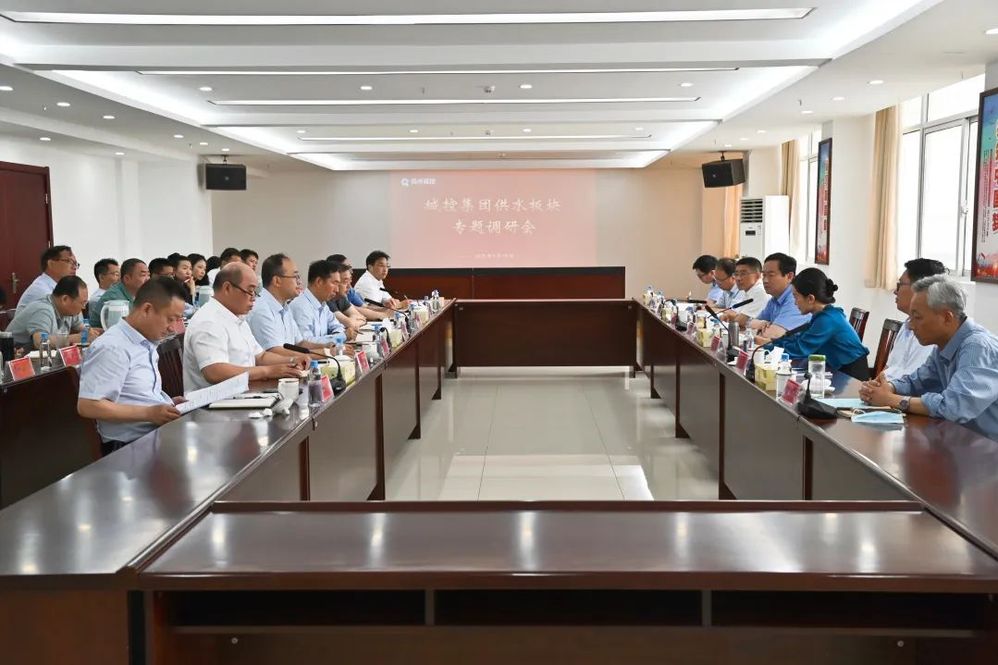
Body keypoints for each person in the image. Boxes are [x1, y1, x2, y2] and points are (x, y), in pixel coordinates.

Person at [860, 275, 998, 439]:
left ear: (947, 317)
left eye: (917, 317)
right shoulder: (944, 344)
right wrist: (887, 387)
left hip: (988, 448)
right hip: (959, 440)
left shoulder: (977, 347)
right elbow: (917, 381)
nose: (910, 326)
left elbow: (953, 407)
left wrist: (892, 400)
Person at [77, 278, 189, 456]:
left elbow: (135, 394)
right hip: (127, 447)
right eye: (170, 319)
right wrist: (149, 413)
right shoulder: (112, 347)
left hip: (152, 434)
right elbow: (89, 405)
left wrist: (166, 403)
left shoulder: (145, 341)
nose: (173, 329)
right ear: (147, 309)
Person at [183, 263, 307, 392]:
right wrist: (268, 371)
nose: (254, 298)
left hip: (244, 393)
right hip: (216, 401)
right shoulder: (209, 321)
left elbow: (260, 357)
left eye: (255, 292)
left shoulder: (237, 318)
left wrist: (292, 361)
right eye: (250, 290)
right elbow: (215, 372)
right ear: (227, 288)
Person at [767, 268, 870, 380]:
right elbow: (800, 339)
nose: (795, 303)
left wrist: (769, 349)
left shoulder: (828, 320)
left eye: (796, 297)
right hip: (836, 369)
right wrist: (772, 343)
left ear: (810, 298)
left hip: (850, 375)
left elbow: (800, 349)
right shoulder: (822, 315)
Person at [247, 253, 333, 357]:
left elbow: (300, 343)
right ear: (277, 281)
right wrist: (325, 353)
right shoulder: (261, 309)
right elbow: (275, 352)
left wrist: (328, 347)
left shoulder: (284, 306)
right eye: (295, 277)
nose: (299, 282)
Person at [883, 258, 948, 381]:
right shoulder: (907, 324)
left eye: (900, 285)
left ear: (919, 288)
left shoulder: (932, 331)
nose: (896, 291)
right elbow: (888, 368)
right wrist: (873, 386)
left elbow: (918, 382)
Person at [8, 276, 97, 351]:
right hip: (14, 354)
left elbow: (84, 329)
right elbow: (40, 342)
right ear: (65, 299)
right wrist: (76, 338)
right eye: (82, 303)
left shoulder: (69, 310)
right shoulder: (43, 309)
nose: (83, 307)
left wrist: (93, 333)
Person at [744, 253, 811, 344]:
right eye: (764, 275)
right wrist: (762, 324)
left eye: (771, 275)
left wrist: (764, 329)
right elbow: (750, 324)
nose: (765, 280)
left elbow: (773, 335)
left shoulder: (795, 300)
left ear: (789, 276)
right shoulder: (775, 299)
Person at [290, 260, 349, 347]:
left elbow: (338, 327)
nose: (337, 290)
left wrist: (337, 337)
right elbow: (305, 342)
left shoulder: (323, 305)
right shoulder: (300, 306)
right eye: (334, 283)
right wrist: (340, 337)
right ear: (319, 282)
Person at [15, 245, 79, 315]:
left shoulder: (59, 288)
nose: (74, 267)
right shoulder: (42, 291)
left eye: (75, 264)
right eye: (69, 261)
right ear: (50, 264)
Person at [90, 258, 150, 327]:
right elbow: (124, 328)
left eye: (148, 275)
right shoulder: (114, 297)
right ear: (127, 278)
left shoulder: (138, 294)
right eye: (143, 275)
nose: (147, 279)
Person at [329, 254, 386, 320]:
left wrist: (385, 309)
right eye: (347, 267)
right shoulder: (328, 300)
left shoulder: (345, 294)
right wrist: (385, 314)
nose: (351, 271)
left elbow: (364, 309)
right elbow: (352, 317)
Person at [326, 262, 367, 334]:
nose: (349, 286)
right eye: (345, 281)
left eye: (349, 281)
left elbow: (362, 318)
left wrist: (352, 320)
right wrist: (352, 320)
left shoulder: (342, 297)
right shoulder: (327, 300)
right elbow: (350, 324)